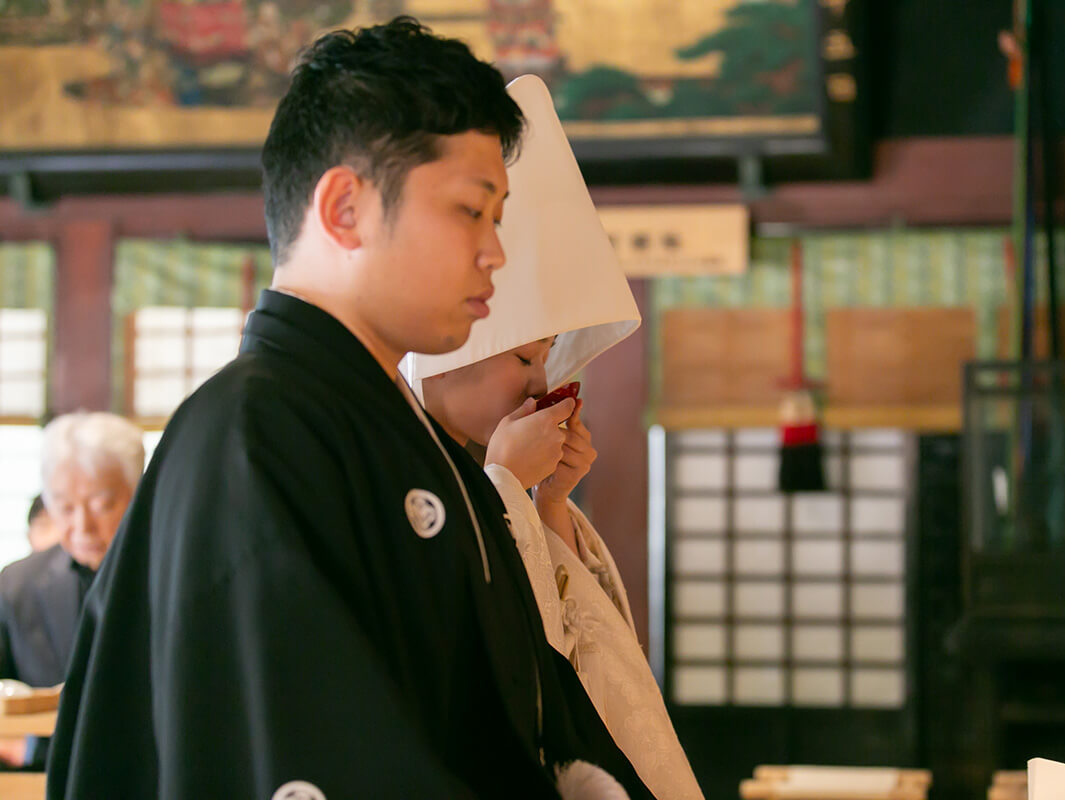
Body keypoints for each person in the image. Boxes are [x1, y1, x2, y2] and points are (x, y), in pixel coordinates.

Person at [47, 18, 650, 800]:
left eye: (497, 218)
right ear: (344, 210)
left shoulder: (406, 438)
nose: (494, 251)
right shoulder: (253, 432)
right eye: (472, 210)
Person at [406, 76, 704, 800]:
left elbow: (589, 662)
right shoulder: (403, 462)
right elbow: (478, 655)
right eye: (525, 357)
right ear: (450, 348)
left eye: (544, 359)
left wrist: (548, 507)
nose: (542, 385)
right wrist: (507, 485)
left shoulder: (480, 464)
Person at [0, 412, 144, 769]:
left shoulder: (173, 578)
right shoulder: (17, 585)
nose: (82, 525)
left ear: (139, 492)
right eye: (64, 507)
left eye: (101, 505)